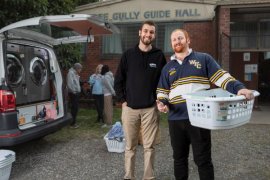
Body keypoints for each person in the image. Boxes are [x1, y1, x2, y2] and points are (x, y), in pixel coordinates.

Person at [156, 28, 254, 180]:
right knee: (179, 160)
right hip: (175, 119)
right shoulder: (167, 68)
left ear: (188, 40)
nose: (177, 41)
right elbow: (162, 91)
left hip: (200, 118)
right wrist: (162, 102)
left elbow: (221, 77)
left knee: (203, 160)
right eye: (174, 39)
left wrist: (239, 88)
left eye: (180, 38)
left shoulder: (203, 59)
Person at [114, 20, 167, 180]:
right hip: (129, 109)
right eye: (145, 31)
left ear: (154, 35)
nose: (148, 34)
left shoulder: (158, 56)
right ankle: (129, 176)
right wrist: (123, 101)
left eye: (151, 32)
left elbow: (163, 82)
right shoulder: (128, 55)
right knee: (130, 147)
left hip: (150, 109)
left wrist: (160, 101)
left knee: (149, 147)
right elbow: (118, 80)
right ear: (140, 32)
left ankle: (148, 177)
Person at [66, 62, 83, 128]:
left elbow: (76, 83)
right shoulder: (71, 73)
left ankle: (73, 122)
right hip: (73, 93)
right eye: (80, 69)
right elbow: (70, 84)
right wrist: (74, 91)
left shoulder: (75, 73)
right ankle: (72, 123)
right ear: (77, 68)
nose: (80, 70)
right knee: (74, 108)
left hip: (76, 93)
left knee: (75, 108)